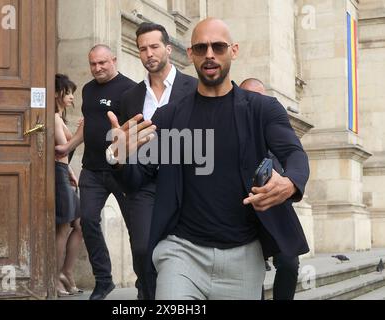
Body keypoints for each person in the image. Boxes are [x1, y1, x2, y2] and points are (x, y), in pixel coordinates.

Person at [107, 18, 309, 300]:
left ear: (234, 50)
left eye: (218, 46)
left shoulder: (261, 109)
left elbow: (293, 153)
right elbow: (138, 177)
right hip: (181, 254)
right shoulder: (169, 117)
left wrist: (290, 183)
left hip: (243, 257)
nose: (210, 54)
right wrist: (117, 156)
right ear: (190, 55)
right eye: (201, 48)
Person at [119, 22, 198, 300]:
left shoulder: (194, 88)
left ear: (168, 48)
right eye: (143, 48)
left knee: (181, 250)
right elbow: (122, 141)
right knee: (143, 248)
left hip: (186, 183)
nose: (149, 53)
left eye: (154, 47)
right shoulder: (130, 97)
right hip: (145, 183)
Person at [55, 45, 137, 300]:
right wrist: (68, 147)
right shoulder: (88, 90)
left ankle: (145, 280)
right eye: (93, 64)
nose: (98, 68)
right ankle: (104, 281)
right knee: (87, 221)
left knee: (137, 227)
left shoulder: (131, 89)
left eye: (103, 63)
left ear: (114, 60)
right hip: (92, 169)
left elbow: (136, 129)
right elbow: (87, 125)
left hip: (122, 170)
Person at [239, 78, 300, 300]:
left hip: (275, 208)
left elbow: (293, 157)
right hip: (242, 211)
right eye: (250, 97)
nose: (257, 103)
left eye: (261, 97)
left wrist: (286, 182)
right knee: (250, 271)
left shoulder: (274, 123)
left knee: (289, 262)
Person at [54, 74, 83, 297]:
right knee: (64, 227)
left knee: (80, 225)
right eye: (68, 92)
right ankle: (54, 277)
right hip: (57, 174)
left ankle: (67, 271)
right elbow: (62, 149)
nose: (72, 97)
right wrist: (81, 134)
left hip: (64, 173)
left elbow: (64, 156)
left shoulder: (60, 119)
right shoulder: (54, 118)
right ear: (57, 94)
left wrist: (71, 172)